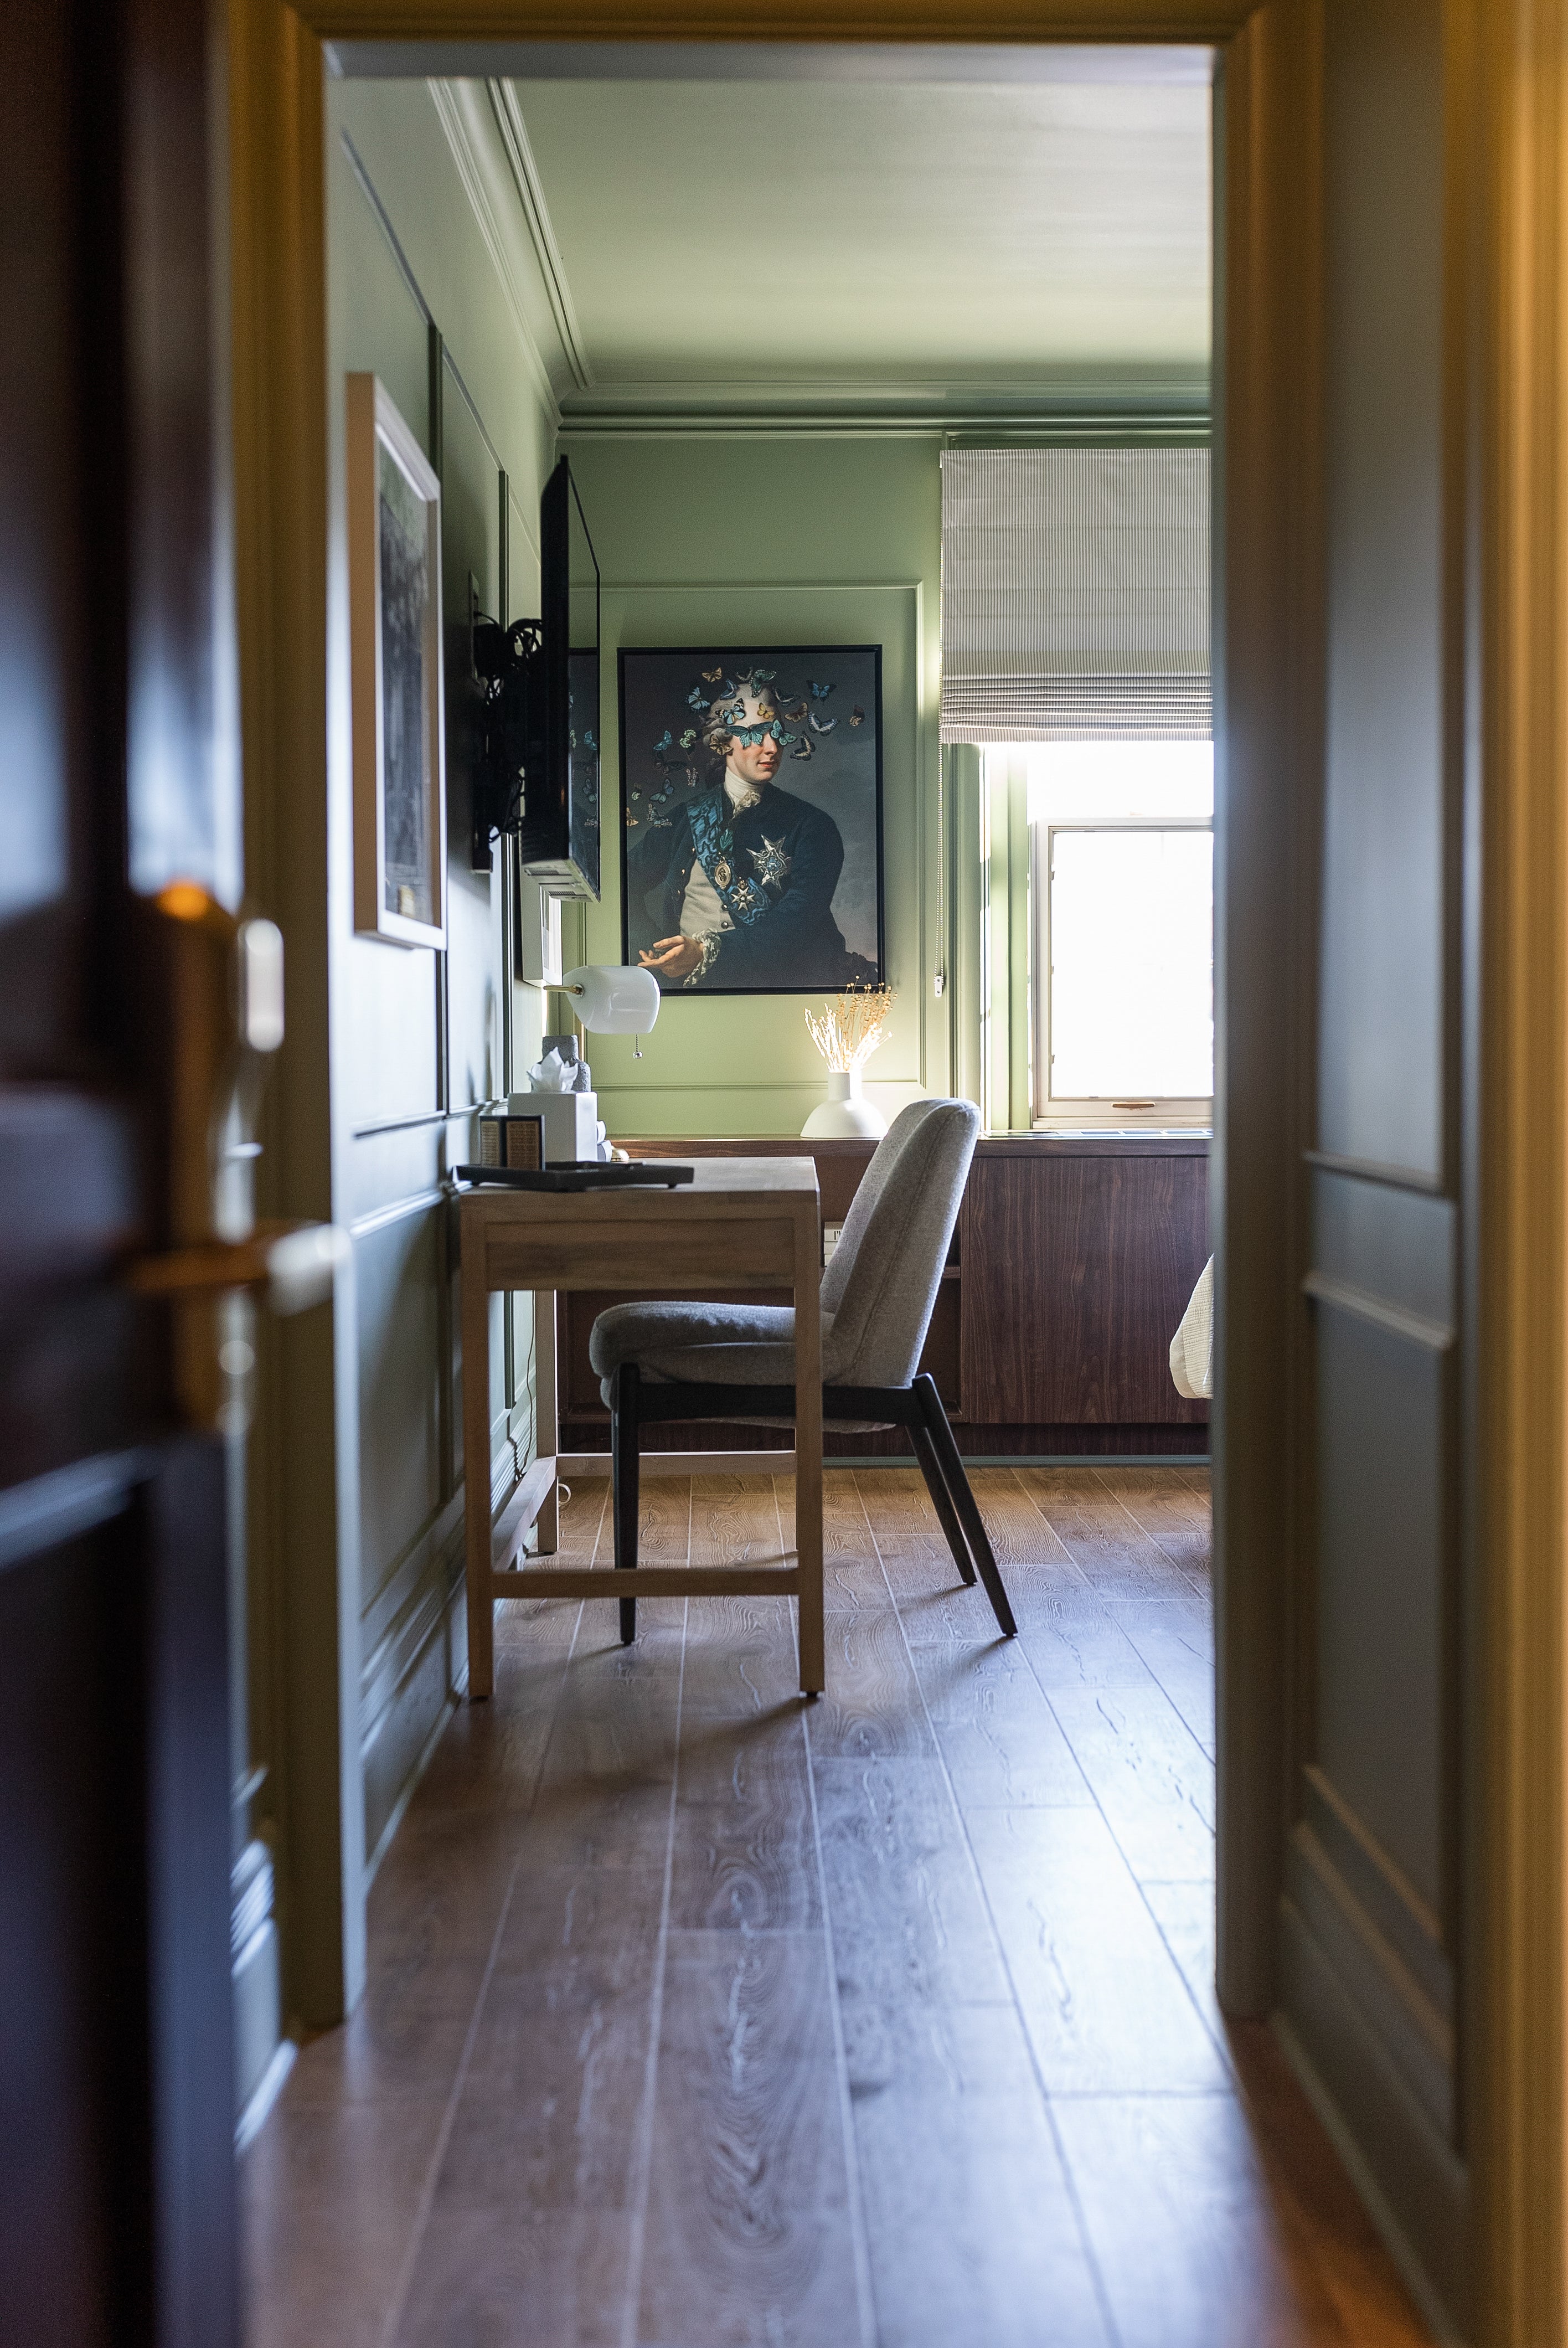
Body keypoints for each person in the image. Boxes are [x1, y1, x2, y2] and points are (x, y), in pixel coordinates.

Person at [627, 671, 873, 990]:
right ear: (722, 742)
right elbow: (625, 880)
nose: (772, 747)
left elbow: (797, 924)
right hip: (689, 991)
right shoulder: (685, 818)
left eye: (777, 733)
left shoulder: (813, 826)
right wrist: (654, 950)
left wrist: (706, 952)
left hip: (780, 990)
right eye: (756, 733)